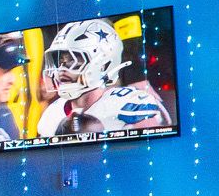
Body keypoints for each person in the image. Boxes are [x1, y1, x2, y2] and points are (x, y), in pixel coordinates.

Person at [38, 18, 175, 140]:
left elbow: (155, 151)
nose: (61, 69)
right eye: (60, 60)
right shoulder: (52, 113)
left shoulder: (130, 105)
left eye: (72, 59)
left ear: (103, 64)